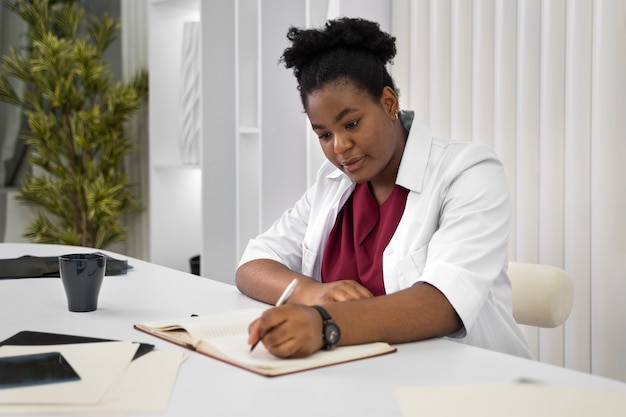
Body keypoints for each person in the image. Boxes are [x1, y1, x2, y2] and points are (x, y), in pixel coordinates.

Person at [236, 17, 532, 359]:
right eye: (324, 134)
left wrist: (322, 323)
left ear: (389, 103)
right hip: (365, 375)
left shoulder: (468, 171)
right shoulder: (333, 186)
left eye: (351, 124)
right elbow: (253, 263)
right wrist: (310, 293)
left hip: (468, 380)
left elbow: (443, 304)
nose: (339, 146)